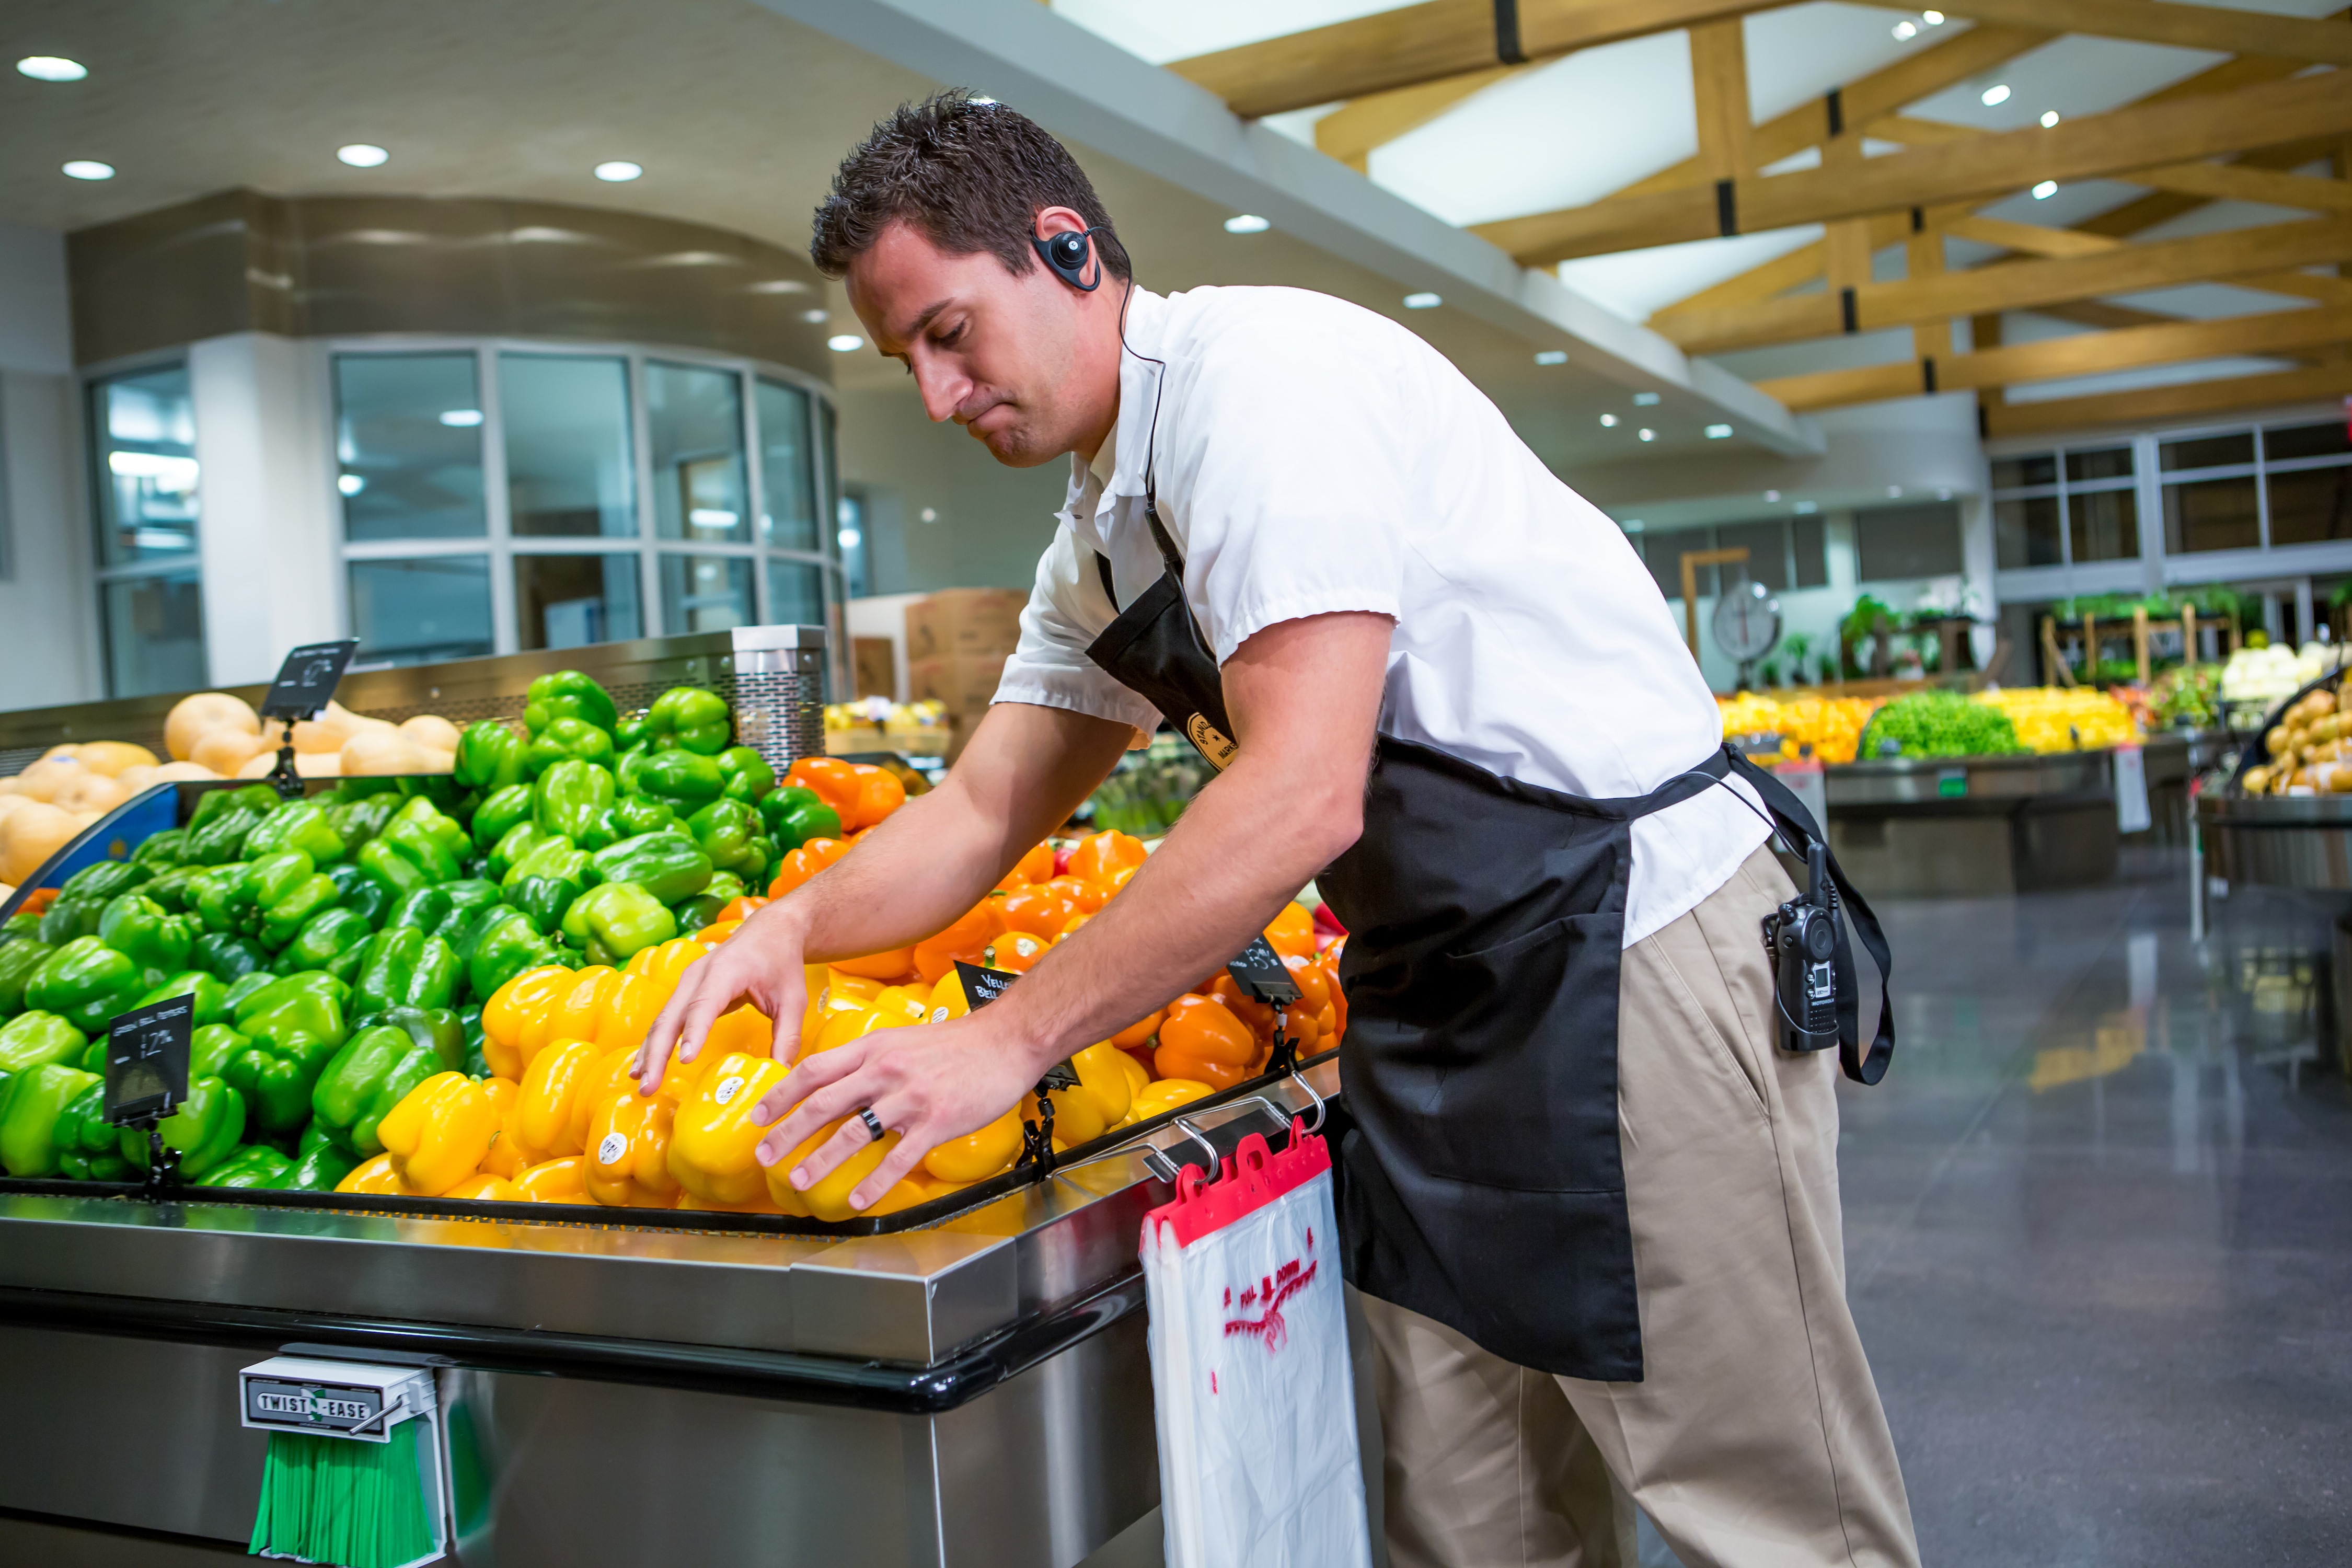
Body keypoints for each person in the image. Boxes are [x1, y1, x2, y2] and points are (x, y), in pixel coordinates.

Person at [636, 91, 1919, 1568]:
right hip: (1434, 1006)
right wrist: (786, 924)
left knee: (1762, 1511)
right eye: (900, 360)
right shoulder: (1097, 537)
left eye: (947, 334)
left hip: (1633, 951)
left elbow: (1304, 790)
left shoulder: (1266, 385)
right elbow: (988, 804)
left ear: (1062, 250)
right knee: (1472, 1515)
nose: (935, 395)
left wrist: (1005, 1040)